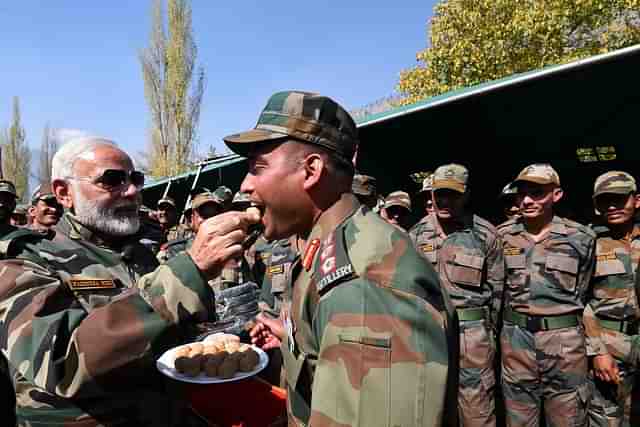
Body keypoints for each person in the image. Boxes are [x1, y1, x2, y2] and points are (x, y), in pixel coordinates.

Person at [226, 90, 450, 427]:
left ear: (311, 170)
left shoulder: (364, 281)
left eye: (258, 168)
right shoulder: (329, 248)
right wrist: (294, 340)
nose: (245, 186)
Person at [0, 135, 260, 426]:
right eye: (111, 180)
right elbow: (63, 363)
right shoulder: (23, 261)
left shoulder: (139, 254)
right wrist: (188, 270)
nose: (132, 191)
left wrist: (214, 337)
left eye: (136, 178)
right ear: (64, 193)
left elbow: (165, 334)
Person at [498, 163, 596, 427]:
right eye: (521, 194)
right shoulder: (501, 236)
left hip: (564, 347)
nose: (527, 200)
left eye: (537, 192)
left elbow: (585, 294)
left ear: (557, 195)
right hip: (516, 345)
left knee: (569, 419)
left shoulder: (581, 238)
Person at [409, 163, 504, 426]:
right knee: (431, 409)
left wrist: (486, 335)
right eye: (439, 194)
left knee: (478, 412)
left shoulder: (485, 235)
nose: (444, 200)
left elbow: (497, 293)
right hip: (428, 334)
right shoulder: (415, 235)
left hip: (473, 338)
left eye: (452, 194)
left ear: (466, 195)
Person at [583, 171, 640, 427]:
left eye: (619, 198)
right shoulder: (587, 241)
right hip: (610, 345)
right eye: (605, 200)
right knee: (608, 419)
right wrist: (598, 351)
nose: (613, 206)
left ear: (636, 200)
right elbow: (578, 300)